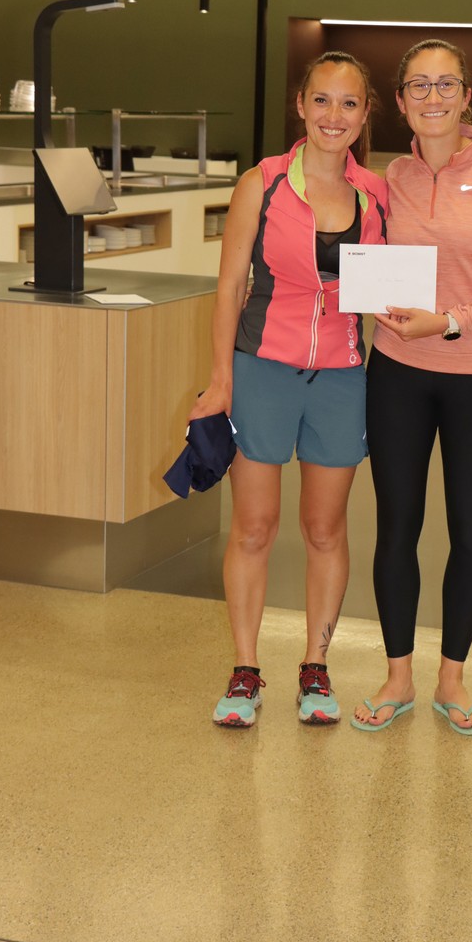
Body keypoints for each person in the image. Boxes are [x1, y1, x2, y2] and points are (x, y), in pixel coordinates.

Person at [352, 38, 472, 736]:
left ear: (467, 97)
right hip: (397, 375)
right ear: (400, 100)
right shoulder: (388, 178)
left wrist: (451, 322)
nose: (432, 97)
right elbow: (368, 263)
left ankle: (452, 679)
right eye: (418, 85)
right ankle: (398, 675)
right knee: (396, 527)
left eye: (445, 85)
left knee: (470, 528)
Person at [190, 51, 387, 728]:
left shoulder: (375, 195)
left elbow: (389, 289)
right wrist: (222, 379)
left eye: (349, 103)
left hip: (342, 378)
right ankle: (245, 670)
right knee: (253, 527)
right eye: (321, 100)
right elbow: (230, 287)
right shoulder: (263, 183)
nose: (334, 115)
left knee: (324, 529)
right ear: (301, 106)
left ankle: (316, 667)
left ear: (365, 114)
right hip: (262, 371)